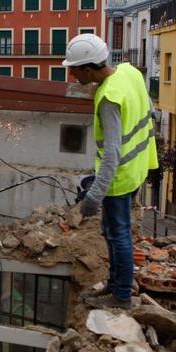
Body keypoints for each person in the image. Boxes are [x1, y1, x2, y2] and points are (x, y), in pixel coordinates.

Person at [64, 34, 158, 309]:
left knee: (118, 234)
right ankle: (115, 285)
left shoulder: (108, 97)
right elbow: (149, 111)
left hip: (121, 177)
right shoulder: (130, 72)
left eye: (74, 69)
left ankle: (121, 295)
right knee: (113, 231)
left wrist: (94, 195)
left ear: (88, 68)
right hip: (138, 166)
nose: (72, 74)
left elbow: (113, 151)